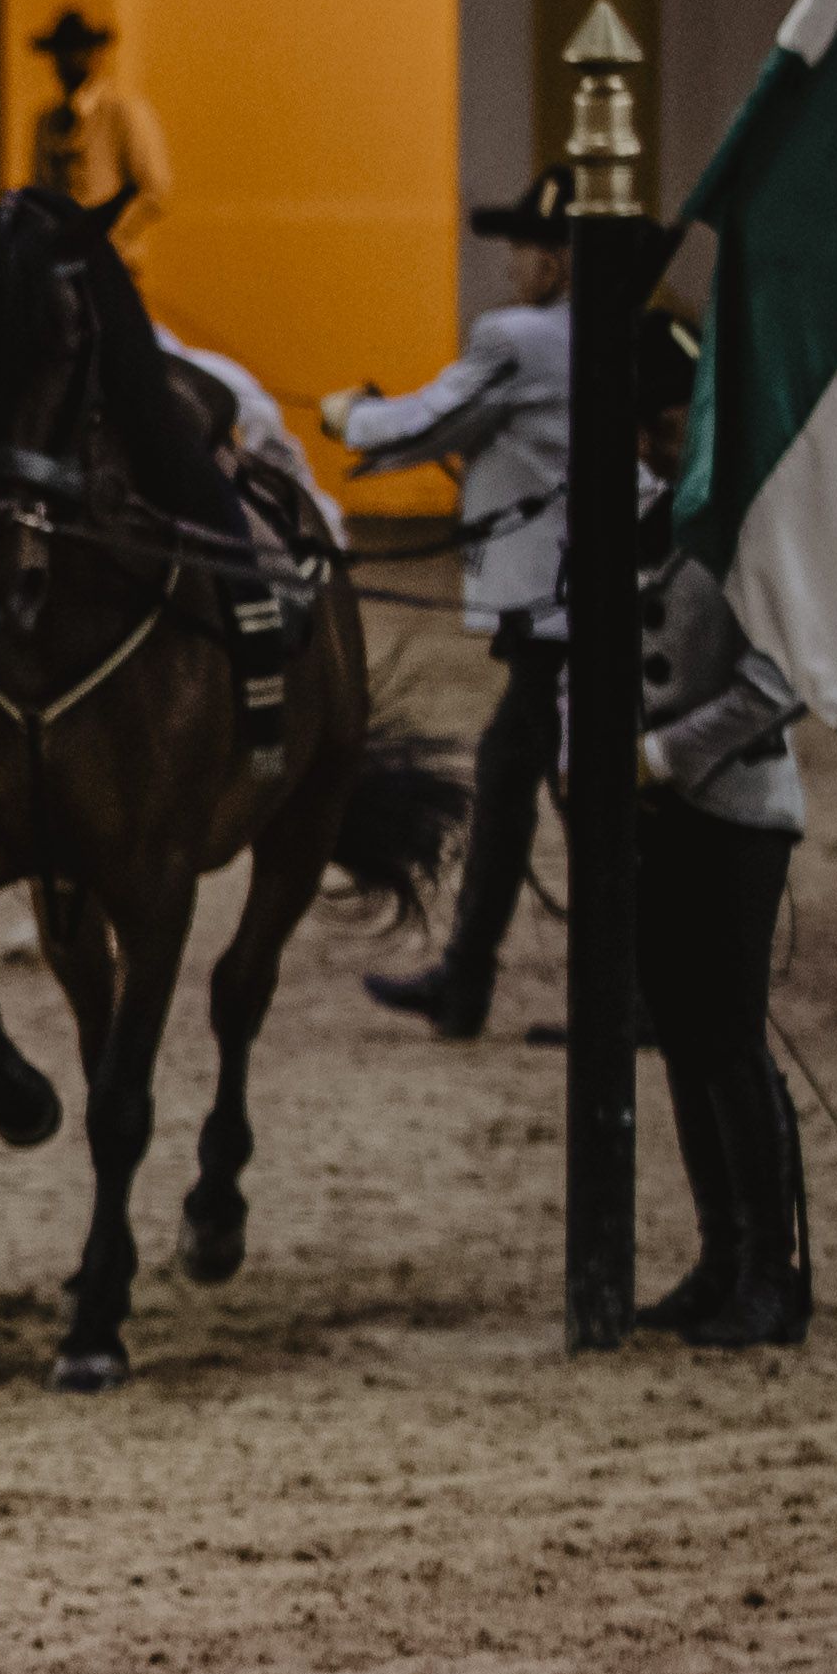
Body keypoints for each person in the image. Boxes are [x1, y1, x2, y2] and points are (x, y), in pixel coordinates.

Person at [328, 169, 580, 1039]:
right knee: (510, 783)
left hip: (554, 613)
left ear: (555, 260)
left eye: (524, 248)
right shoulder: (607, 330)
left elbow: (429, 416)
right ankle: (466, 981)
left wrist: (349, 419)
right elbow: (461, 429)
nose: (512, 263)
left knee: (569, 799)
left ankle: (623, 995)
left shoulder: (519, 337)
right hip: (570, 609)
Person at [609, 383, 812, 1344]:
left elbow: (779, 685)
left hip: (737, 810)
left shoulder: (756, 528)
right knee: (686, 1039)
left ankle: (773, 1270)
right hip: (656, 816)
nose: (655, 437)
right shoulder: (637, 517)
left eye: (671, 418)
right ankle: (721, 1256)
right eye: (649, 422)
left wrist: (662, 755)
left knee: (729, 1036)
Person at [27, 4, 175, 257]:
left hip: (111, 260)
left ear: (95, 56)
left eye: (77, 50)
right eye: (62, 52)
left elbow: (155, 188)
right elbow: (40, 192)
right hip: (60, 261)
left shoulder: (123, 112)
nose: (67, 60)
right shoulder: (47, 122)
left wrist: (108, 235)